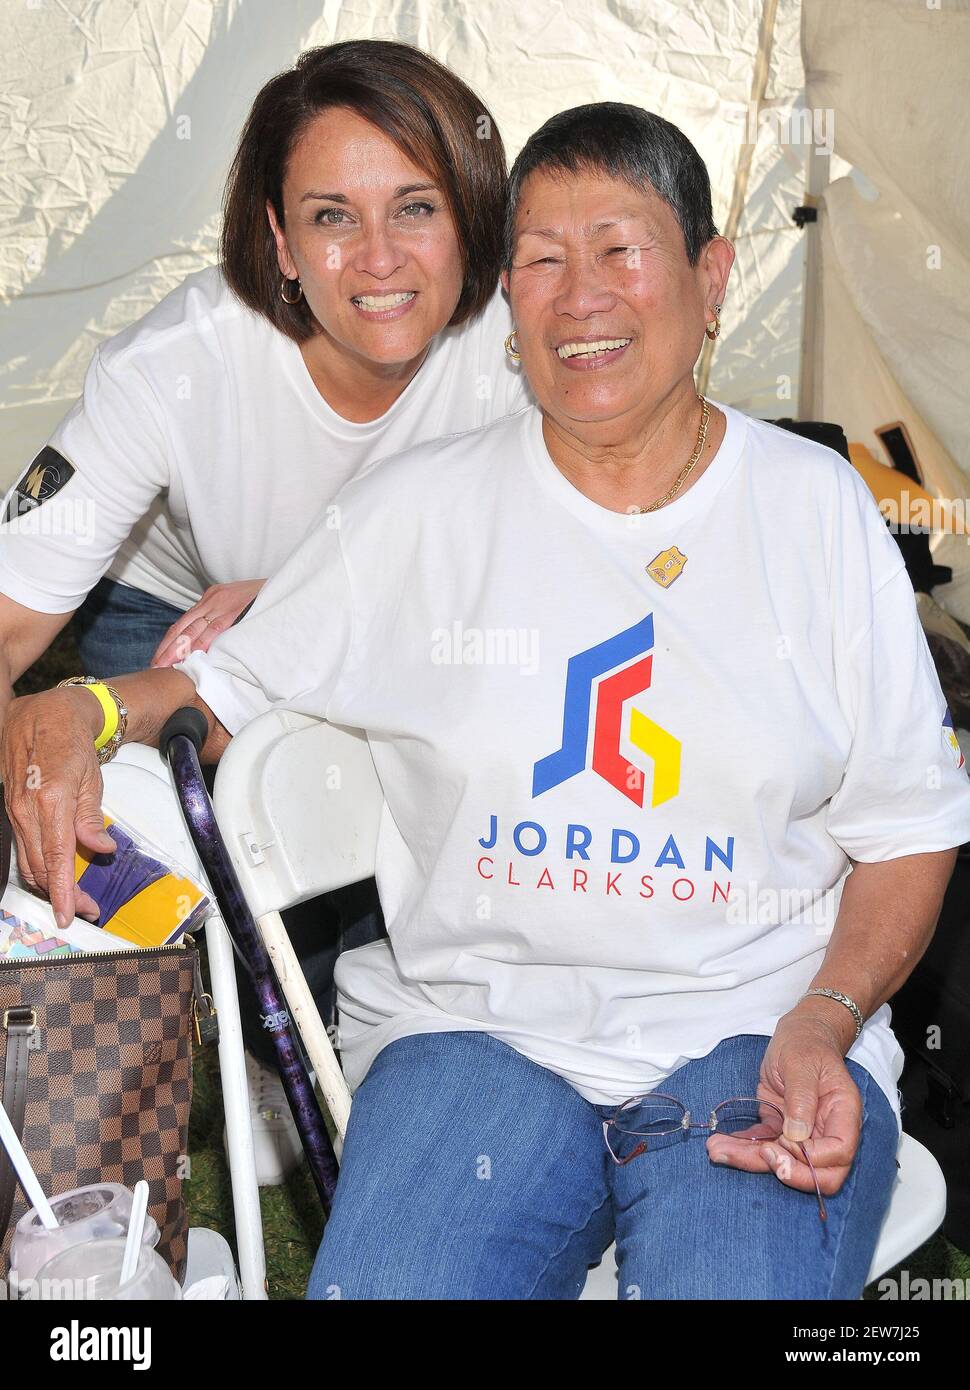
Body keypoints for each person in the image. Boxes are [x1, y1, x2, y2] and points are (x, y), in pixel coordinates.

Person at [5, 102, 970, 1300]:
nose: (580, 299)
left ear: (711, 277)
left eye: (619, 250)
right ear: (505, 300)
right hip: (473, 1035)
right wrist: (81, 712)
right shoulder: (414, 510)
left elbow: (907, 823)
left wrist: (826, 1018)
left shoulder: (815, 511)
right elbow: (215, 688)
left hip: (754, 1029)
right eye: (540, 262)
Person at [0, 40, 531, 1183]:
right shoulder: (175, 365)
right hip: (185, 609)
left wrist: (307, 584)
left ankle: (344, 1013)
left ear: (472, 215)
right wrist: (35, 735)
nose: (379, 257)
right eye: (333, 217)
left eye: (417, 207)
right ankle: (204, 1051)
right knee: (166, 814)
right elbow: (7, 622)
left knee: (409, 779)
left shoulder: (526, 343)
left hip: (409, 625)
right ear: (281, 243)